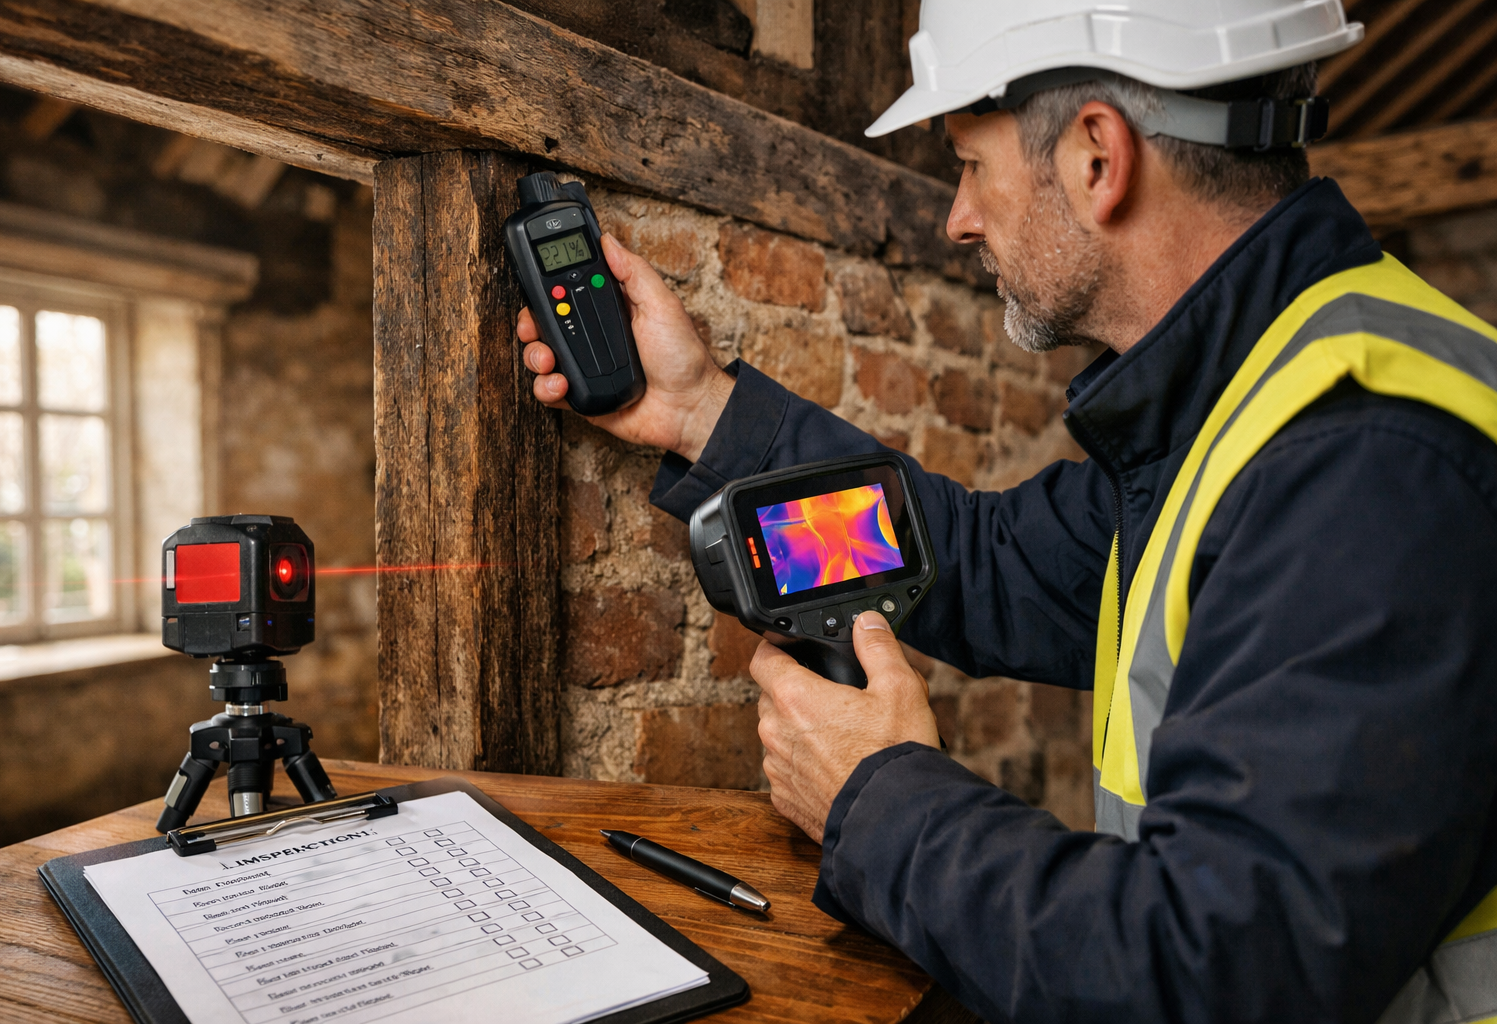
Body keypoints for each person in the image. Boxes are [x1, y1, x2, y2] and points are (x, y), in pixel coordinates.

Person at [517, 3, 1497, 1020]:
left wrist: (876, 797)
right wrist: (700, 409)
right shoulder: (1255, 400)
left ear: (1095, 157)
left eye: (972, 166)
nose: (958, 217)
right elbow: (987, 564)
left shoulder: (1367, 464)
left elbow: (1215, 975)